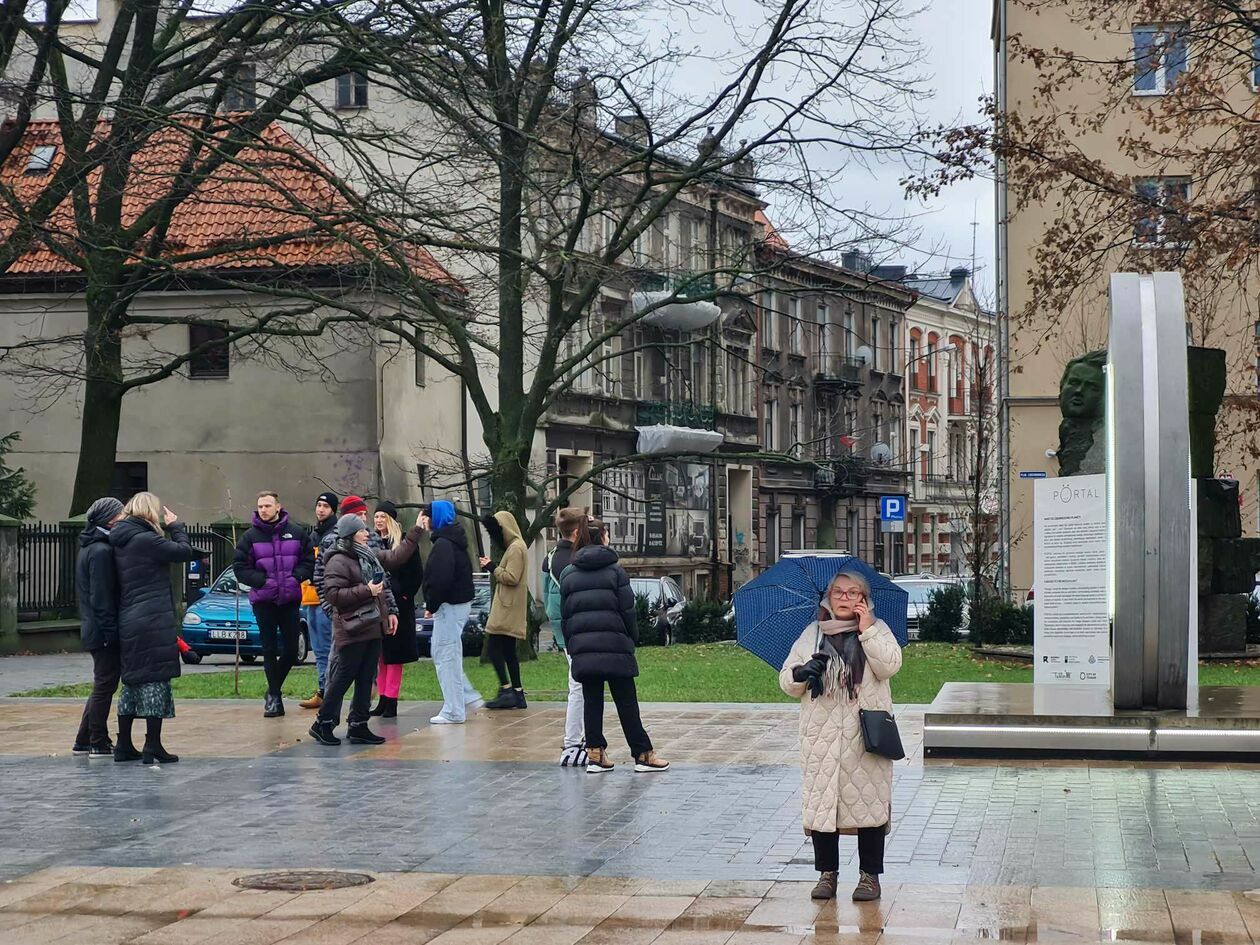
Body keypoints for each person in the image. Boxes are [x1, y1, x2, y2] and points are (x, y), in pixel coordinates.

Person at [778, 569, 902, 903]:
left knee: (870, 805)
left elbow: (889, 666)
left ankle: (869, 877)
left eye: (852, 593)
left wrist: (867, 632)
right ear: (827, 599)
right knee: (823, 805)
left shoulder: (878, 630)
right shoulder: (812, 634)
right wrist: (802, 673)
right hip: (822, 735)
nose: (844, 599)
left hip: (866, 735)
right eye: (838, 593)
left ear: (864, 599)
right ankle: (827, 875)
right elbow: (787, 681)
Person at [560, 520, 668, 774]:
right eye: (607, 534)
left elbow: (566, 616)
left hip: (584, 649)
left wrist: (573, 645)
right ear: (603, 538)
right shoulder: (615, 570)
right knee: (626, 702)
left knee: (592, 701)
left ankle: (595, 754)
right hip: (616, 645)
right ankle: (643, 754)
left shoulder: (569, 573)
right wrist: (632, 638)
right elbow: (628, 610)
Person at [109, 493, 208, 764]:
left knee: (132, 680)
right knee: (156, 680)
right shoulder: (146, 539)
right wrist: (176, 527)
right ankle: (153, 744)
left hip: (129, 616)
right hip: (152, 617)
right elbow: (183, 552)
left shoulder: (120, 539)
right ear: (150, 512)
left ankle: (124, 744)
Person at [308, 514, 397, 747]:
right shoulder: (337, 560)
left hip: (372, 625)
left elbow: (383, 586)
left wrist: (390, 613)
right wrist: (366, 590)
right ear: (350, 535)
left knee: (367, 676)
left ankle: (358, 724)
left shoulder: (366, 556)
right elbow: (334, 595)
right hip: (352, 626)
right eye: (361, 531)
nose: (366, 534)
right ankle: (323, 723)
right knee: (343, 676)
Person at [233, 491, 315, 718]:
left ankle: (272, 689)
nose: (263, 509)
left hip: (289, 598)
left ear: (278, 507)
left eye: (268, 505)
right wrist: (261, 581)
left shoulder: (297, 532)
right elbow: (239, 567)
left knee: (291, 650)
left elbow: (309, 560)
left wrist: (295, 577)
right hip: (264, 600)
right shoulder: (250, 537)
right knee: (268, 649)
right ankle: (275, 700)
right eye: (260, 506)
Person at [71, 496, 126, 758]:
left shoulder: (90, 547)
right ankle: (98, 740)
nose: (124, 518)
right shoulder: (102, 551)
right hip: (101, 630)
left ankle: (83, 739)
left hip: (93, 627)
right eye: (121, 514)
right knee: (105, 684)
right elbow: (102, 597)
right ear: (110, 519)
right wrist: (110, 632)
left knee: (102, 683)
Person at [423, 500, 483, 724]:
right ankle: (464, 699)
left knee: (445, 655)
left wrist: (431, 605)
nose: (425, 520)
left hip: (449, 606)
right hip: (454, 605)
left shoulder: (443, 544)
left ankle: (454, 708)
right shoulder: (451, 540)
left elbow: (440, 579)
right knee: (449, 654)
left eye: (427, 516)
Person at [369, 501, 423, 718]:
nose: (379, 520)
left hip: (398, 604)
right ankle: (382, 698)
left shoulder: (404, 544)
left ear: (391, 519)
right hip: (376, 604)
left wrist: (402, 594)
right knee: (380, 654)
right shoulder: (372, 543)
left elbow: (416, 575)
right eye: (376, 516)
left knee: (395, 654)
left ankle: (391, 699)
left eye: (383, 516)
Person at [541, 507, 586, 765]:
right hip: (578, 627)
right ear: (578, 531)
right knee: (578, 687)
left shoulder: (549, 557)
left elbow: (547, 598)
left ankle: (575, 738)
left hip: (561, 629)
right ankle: (572, 740)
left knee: (576, 683)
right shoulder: (578, 558)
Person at [480, 510, 529, 710]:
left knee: (494, 648)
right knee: (508, 651)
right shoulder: (517, 547)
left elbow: (512, 577)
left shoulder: (516, 548)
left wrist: (492, 567)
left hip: (507, 607)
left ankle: (507, 689)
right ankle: (517, 693)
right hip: (509, 605)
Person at [299, 492, 338, 710]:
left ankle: (329, 691)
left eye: (325, 506)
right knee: (319, 649)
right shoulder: (314, 535)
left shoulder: (334, 534)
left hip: (325, 599)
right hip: (310, 598)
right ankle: (323, 690)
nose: (320, 509)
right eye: (318, 505)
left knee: (327, 648)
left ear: (333, 509)